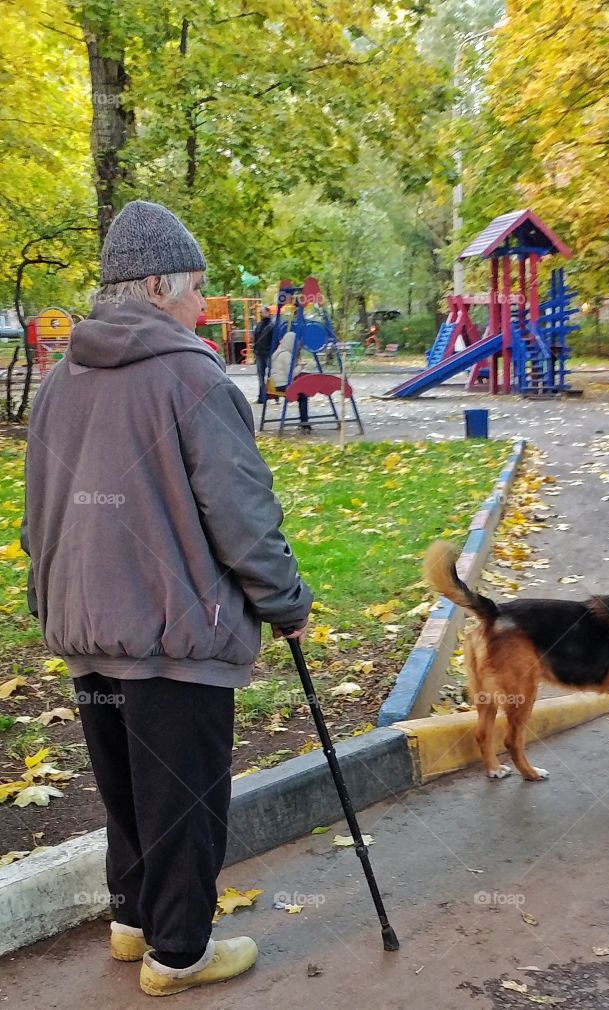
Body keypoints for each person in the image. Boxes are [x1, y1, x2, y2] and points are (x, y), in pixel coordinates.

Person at [20, 200, 313, 997]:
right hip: (176, 631)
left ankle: (132, 923)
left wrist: (51, 596)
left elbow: (36, 516)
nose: (204, 306)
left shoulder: (60, 381)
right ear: (157, 287)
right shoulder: (192, 377)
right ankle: (179, 955)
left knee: (125, 788)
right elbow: (243, 516)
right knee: (183, 799)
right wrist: (286, 601)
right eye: (197, 289)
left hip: (84, 624)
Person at [269, 322, 314, 431]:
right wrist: (300, 366)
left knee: (302, 392)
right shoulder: (286, 355)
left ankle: (304, 422)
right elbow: (291, 374)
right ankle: (304, 423)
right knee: (303, 396)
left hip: (275, 384)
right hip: (282, 385)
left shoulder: (278, 352)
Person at [252, 305, 275, 403]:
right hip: (260, 353)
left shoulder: (272, 325)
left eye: (262, 312)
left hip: (268, 353)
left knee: (271, 375)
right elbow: (256, 338)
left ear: (268, 312)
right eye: (260, 312)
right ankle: (262, 396)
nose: (261, 314)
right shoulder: (259, 325)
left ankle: (274, 395)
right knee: (261, 376)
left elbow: (274, 340)